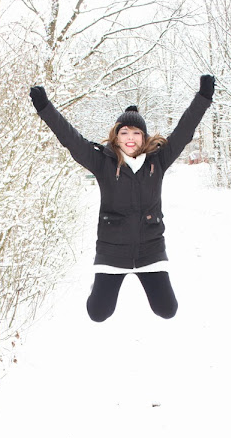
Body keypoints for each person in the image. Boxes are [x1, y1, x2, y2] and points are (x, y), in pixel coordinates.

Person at [29, 75, 215, 322]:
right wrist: (45, 108)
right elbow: (70, 139)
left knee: (167, 309)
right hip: (112, 250)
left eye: (136, 132)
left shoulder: (158, 160)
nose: (130, 137)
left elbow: (184, 130)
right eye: (124, 132)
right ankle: (97, 289)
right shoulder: (102, 162)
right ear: (116, 137)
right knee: (98, 313)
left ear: (144, 137)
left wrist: (203, 98)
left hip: (150, 249)